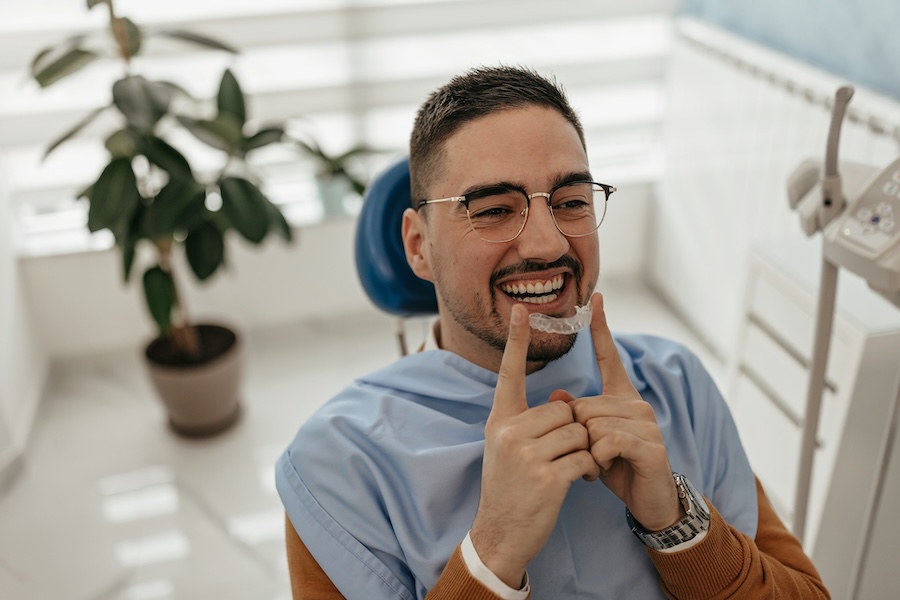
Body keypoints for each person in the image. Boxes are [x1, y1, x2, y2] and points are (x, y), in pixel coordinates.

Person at [275, 66, 830, 599]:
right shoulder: (340, 463)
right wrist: (491, 553)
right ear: (419, 245)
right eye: (493, 209)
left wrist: (680, 526)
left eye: (569, 202)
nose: (548, 244)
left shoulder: (674, 385)